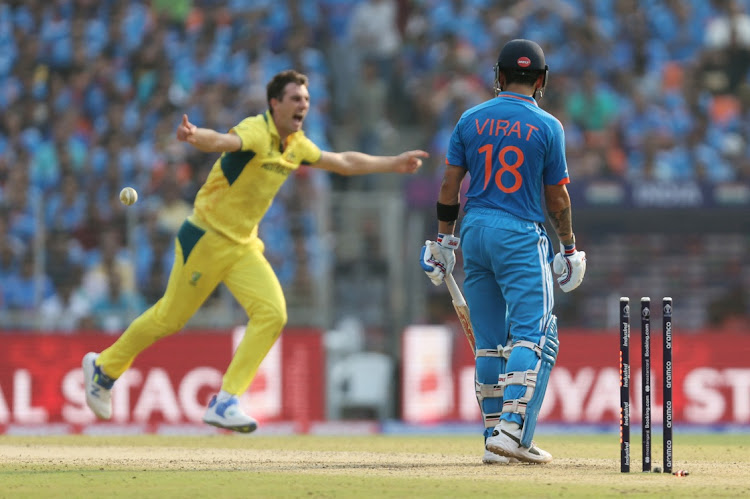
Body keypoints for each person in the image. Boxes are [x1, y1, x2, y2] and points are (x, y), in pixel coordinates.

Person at [83, 69, 427, 432]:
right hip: (206, 236)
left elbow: (341, 161)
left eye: (306, 101)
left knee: (273, 314)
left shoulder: (296, 145)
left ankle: (226, 400)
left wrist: (392, 163)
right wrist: (195, 136)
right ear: (275, 103)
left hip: (243, 245)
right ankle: (104, 369)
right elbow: (222, 142)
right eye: (295, 99)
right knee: (169, 318)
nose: (303, 106)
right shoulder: (255, 131)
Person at [420, 39, 586, 464]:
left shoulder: (470, 119)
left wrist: (443, 241)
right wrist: (568, 247)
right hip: (520, 234)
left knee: (489, 343)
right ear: (543, 80)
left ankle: (493, 435)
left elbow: (448, 187)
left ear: (498, 76)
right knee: (532, 332)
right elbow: (558, 200)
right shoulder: (548, 126)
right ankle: (513, 431)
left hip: (474, 232)